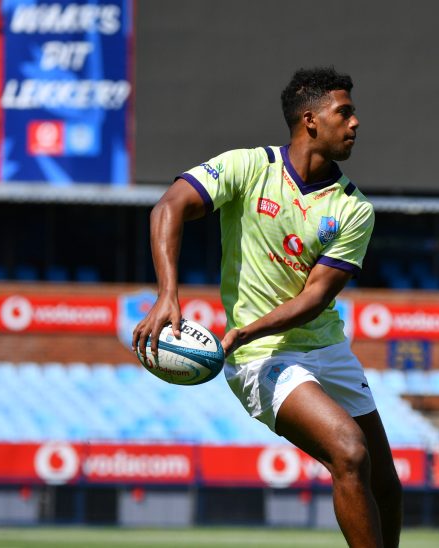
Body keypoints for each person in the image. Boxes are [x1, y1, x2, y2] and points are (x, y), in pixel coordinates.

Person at [132, 67, 402, 548]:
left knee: (386, 486)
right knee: (348, 452)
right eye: (345, 112)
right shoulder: (248, 167)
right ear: (310, 120)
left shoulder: (353, 208)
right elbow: (168, 207)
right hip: (264, 358)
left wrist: (244, 329)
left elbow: (315, 297)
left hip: (323, 347)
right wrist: (167, 294)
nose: (356, 123)